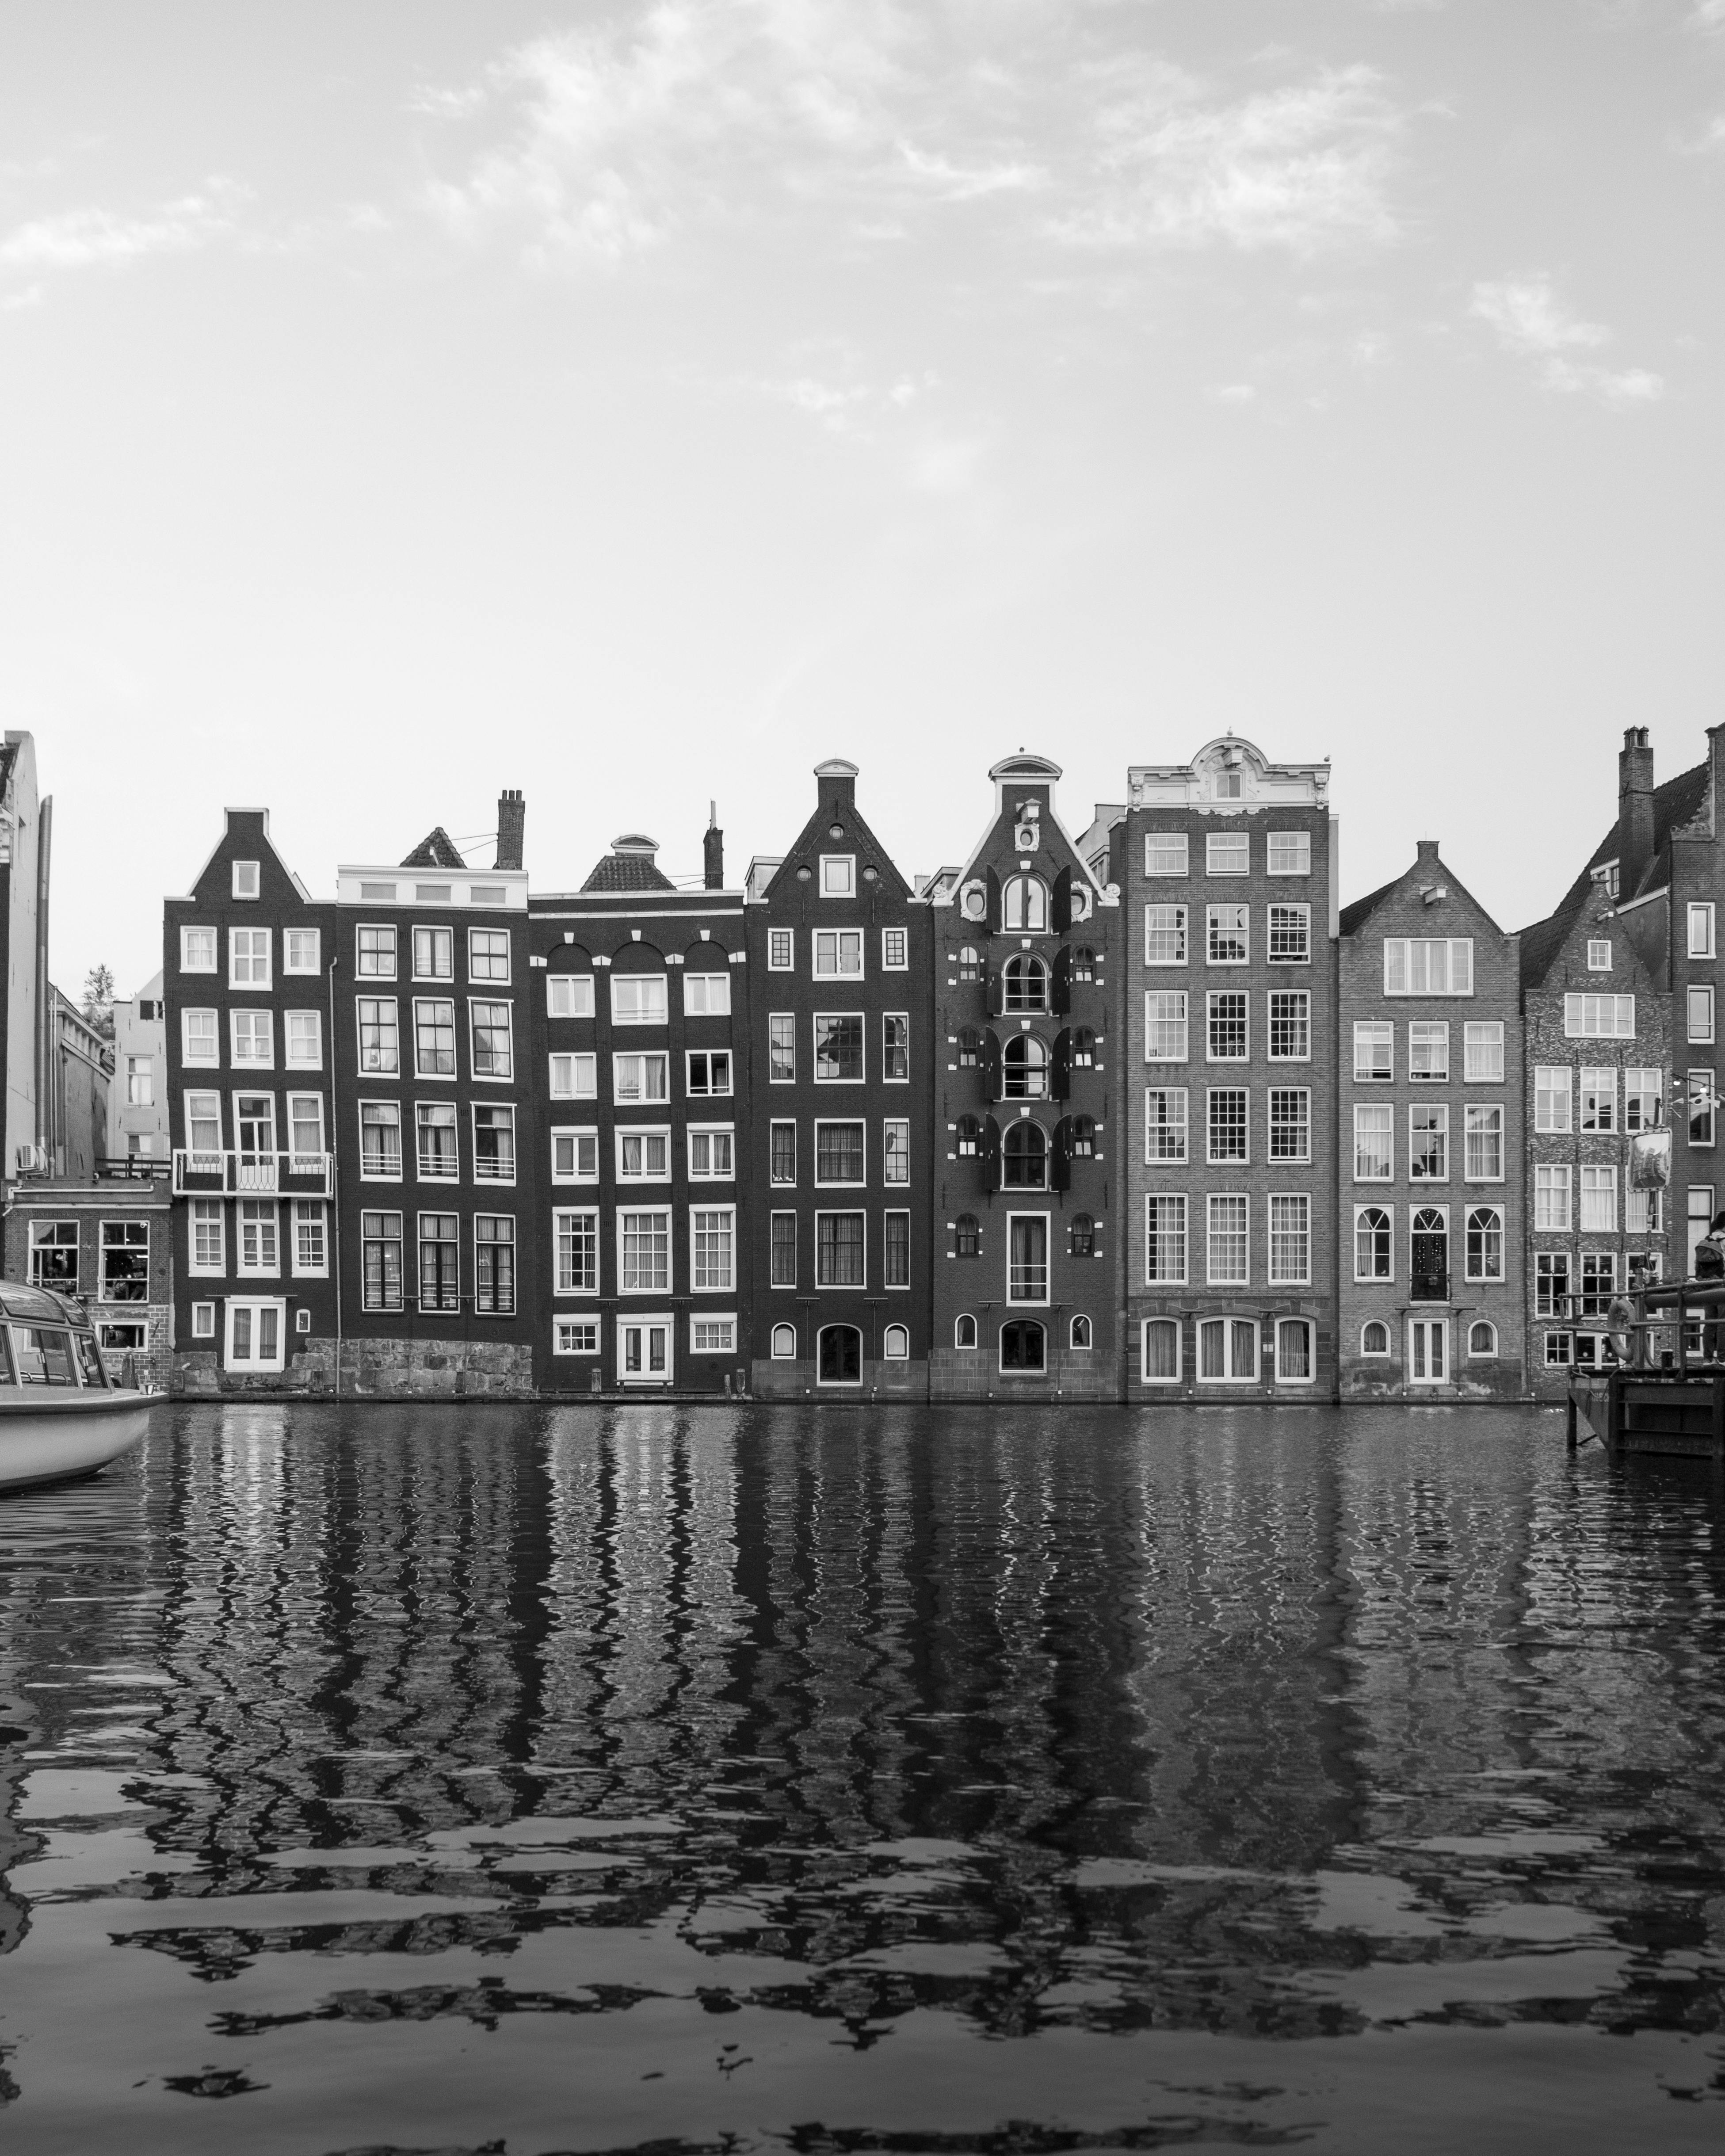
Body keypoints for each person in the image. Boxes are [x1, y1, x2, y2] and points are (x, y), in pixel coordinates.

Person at [1695, 1210, 1725, 1361]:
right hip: (1722, 1286)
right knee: (1722, 1323)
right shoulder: (1724, 1241)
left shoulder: (1707, 1241)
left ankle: (1707, 1359)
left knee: (1709, 1323)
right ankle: (1723, 1359)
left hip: (1707, 1287)